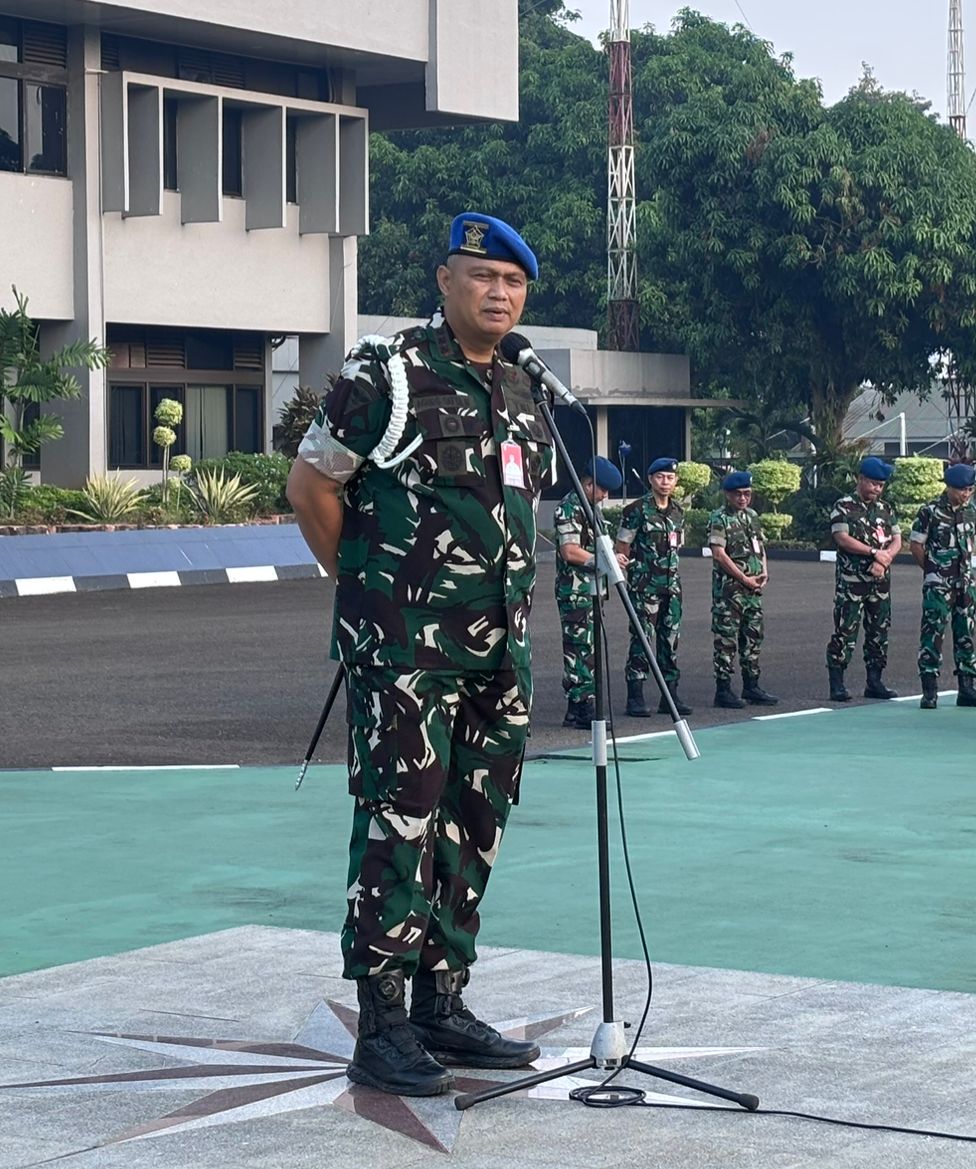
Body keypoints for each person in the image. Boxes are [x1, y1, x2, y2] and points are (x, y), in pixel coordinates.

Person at [287, 212, 551, 1097]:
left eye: (514, 283)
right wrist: (366, 591)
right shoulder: (387, 374)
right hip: (405, 654)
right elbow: (313, 483)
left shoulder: (522, 388)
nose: (500, 294)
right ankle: (385, 1023)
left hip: (495, 653)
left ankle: (443, 998)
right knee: (401, 819)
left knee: (475, 823)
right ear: (446, 280)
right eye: (484, 276)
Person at [909, 462, 976, 709]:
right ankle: (929, 690)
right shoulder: (930, 511)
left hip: (966, 583)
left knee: (965, 634)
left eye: (970, 489)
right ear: (949, 487)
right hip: (939, 584)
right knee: (932, 634)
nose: (966, 494)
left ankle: (966, 688)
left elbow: (971, 545)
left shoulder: (971, 511)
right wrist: (933, 571)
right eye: (961, 490)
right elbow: (916, 546)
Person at [614, 457, 693, 718]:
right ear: (650, 479)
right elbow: (622, 547)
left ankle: (670, 695)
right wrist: (625, 576)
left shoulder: (678, 511)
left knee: (670, 640)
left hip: (671, 587)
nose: (665, 482)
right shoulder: (636, 510)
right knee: (641, 639)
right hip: (643, 586)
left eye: (670, 478)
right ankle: (635, 696)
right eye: (660, 477)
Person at [553, 456, 624, 728]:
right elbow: (570, 551)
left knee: (588, 648)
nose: (605, 496)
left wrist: (612, 557)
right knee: (579, 648)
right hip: (575, 591)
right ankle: (582, 705)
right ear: (588, 483)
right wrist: (604, 560)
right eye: (602, 489)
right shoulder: (570, 508)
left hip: (591, 590)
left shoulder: (591, 509)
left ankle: (577, 705)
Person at [825, 456, 901, 702]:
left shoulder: (885, 509)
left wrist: (885, 557)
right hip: (852, 582)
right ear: (861, 479)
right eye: (874, 483)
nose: (878, 489)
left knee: (879, 631)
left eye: (881, 485)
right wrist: (873, 553)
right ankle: (837, 684)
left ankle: (875, 681)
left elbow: (897, 538)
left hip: (880, 582)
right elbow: (842, 538)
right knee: (846, 630)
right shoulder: (843, 506)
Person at [707, 470, 778, 708]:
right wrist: (744, 579)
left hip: (753, 591)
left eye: (747, 494)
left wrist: (764, 572)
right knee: (726, 640)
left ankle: (752, 685)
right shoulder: (720, 519)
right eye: (737, 494)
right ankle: (723, 689)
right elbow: (719, 554)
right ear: (728, 495)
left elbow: (760, 548)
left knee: (753, 637)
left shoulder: (752, 516)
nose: (743, 499)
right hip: (730, 592)